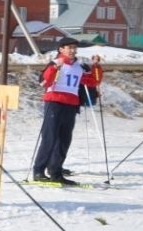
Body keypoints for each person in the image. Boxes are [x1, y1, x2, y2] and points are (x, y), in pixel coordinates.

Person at [31, 37, 103, 186]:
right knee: (49, 138)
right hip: (54, 103)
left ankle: (56, 172)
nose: (72, 50)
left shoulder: (79, 66)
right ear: (61, 49)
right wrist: (54, 68)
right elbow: (44, 82)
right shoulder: (56, 63)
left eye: (74, 48)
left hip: (70, 105)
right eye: (69, 47)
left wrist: (96, 66)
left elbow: (93, 81)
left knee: (64, 140)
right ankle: (38, 170)